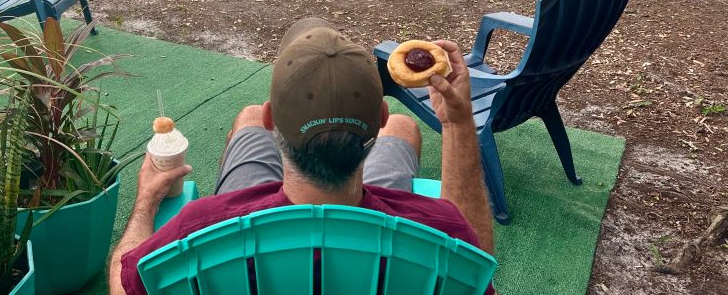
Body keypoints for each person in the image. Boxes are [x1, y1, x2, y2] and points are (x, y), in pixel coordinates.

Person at [109, 18, 495, 295]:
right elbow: (476, 264)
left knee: (243, 118)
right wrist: (457, 123)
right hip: (380, 228)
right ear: (376, 119)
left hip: (247, 230)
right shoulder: (438, 232)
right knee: (404, 127)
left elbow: (124, 284)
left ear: (271, 120)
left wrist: (146, 200)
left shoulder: (199, 230)